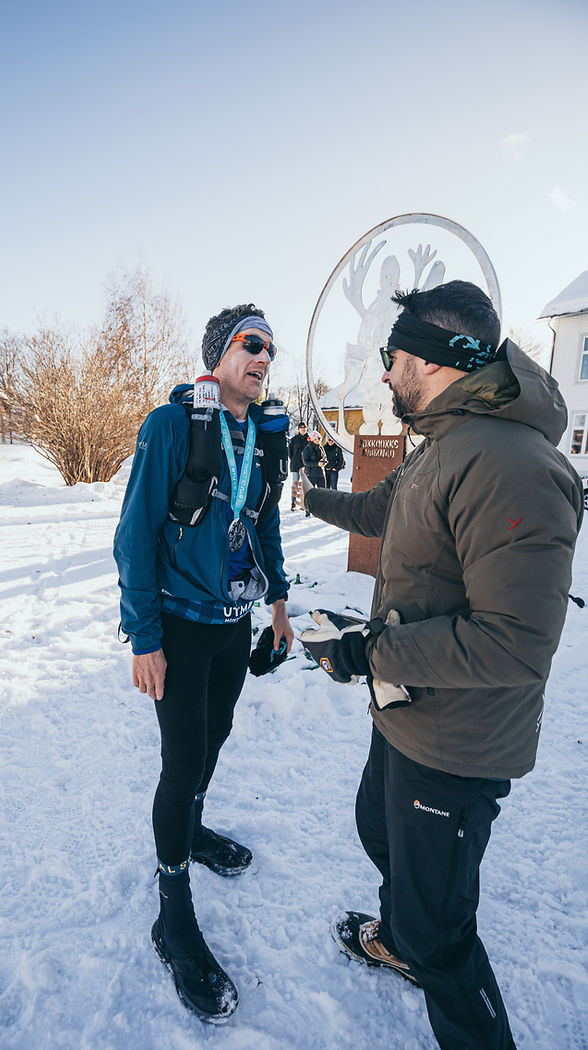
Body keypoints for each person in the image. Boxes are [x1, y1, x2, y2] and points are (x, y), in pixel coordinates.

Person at [299, 280, 583, 1050]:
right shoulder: (446, 447)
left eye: (391, 358)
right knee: (377, 831)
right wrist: (306, 495)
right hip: (407, 712)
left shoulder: (512, 464)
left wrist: (369, 649)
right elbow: (374, 511)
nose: (384, 374)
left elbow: (517, 641)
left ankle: (438, 972)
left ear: (429, 359)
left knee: (443, 932)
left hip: (457, 742)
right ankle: (402, 937)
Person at [114, 303, 293, 1024]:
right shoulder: (173, 426)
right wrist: (143, 636)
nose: (264, 358)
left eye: (271, 350)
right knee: (183, 762)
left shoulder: (264, 434)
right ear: (220, 353)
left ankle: (192, 828)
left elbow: (269, 520)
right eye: (253, 345)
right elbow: (133, 536)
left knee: (213, 742)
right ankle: (173, 913)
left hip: (234, 625)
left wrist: (279, 603)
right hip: (181, 630)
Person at [288, 421, 309, 509]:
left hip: (306, 466)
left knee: (304, 485)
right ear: (299, 429)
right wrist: (294, 460)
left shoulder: (309, 439)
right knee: (295, 485)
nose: (303, 429)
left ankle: (303, 504)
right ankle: (293, 503)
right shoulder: (294, 439)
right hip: (296, 465)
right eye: (301, 428)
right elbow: (290, 453)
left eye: (304, 428)